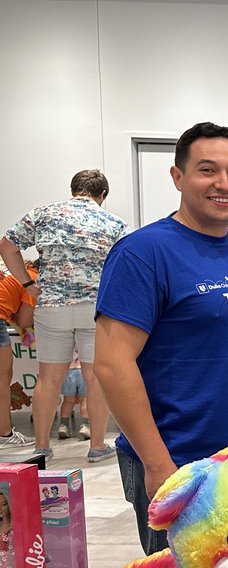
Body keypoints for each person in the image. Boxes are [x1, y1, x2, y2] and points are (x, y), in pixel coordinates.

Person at [95, 122, 228, 555]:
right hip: (178, 461)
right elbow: (112, 364)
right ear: (178, 177)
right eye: (207, 170)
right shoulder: (143, 251)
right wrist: (157, 464)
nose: (224, 184)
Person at [0, 169, 127, 463]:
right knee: (96, 378)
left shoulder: (43, 213)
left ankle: (41, 447)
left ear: (73, 190)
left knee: (48, 378)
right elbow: (125, 264)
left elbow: (7, 246)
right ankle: (97, 446)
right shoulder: (114, 222)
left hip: (51, 307)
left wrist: (29, 285)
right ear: (102, 195)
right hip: (95, 308)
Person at [0, 263, 35, 450]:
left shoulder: (11, 268)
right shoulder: (32, 278)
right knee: (2, 378)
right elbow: (25, 320)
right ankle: (4, 434)